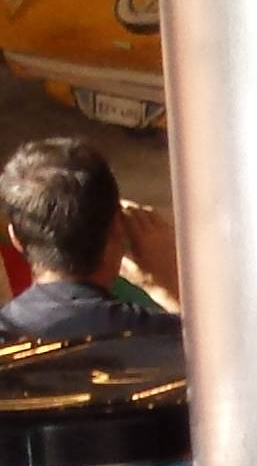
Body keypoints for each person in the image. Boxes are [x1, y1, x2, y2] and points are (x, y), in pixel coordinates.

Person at [0, 138, 176, 344]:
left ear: (16, 239)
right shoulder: (170, 339)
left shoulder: (7, 338)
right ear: (119, 228)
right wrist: (171, 288)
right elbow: (212, 351)